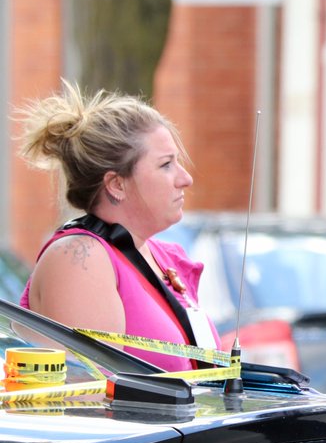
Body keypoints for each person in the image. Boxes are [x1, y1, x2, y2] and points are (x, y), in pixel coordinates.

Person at [18, 81, 217, 372]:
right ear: (116, 184)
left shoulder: (161, 256)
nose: (185, 178)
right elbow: (90, 401)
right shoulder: (78, 259)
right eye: (166, 165)